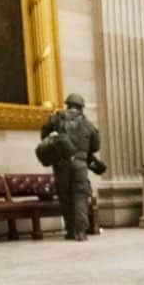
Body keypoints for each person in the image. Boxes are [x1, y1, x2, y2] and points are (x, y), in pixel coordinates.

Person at [39, 94, 101, 241]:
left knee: (65, 197)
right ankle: (81, 232)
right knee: (80, 196)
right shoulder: (88, 124)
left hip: (61, 164)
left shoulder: (55, 119)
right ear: (81, 107)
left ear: (68, 105)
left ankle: (70, 230)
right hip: (80, 165)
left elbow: (44, 136)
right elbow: (96, 146)